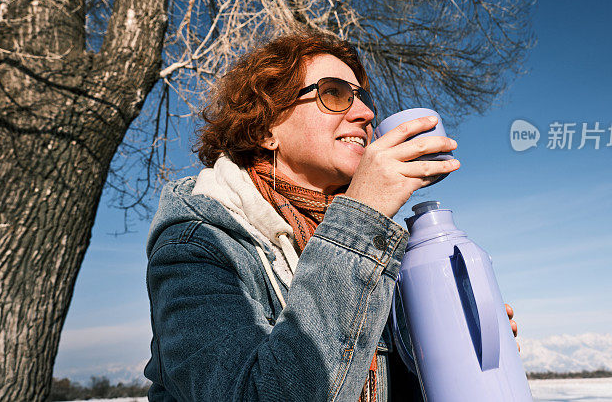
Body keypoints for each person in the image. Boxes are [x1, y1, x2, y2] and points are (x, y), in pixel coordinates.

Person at [144, 31, 517, 401]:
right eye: (334, 93)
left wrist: (444, 346)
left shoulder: (370, 247)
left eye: (363, 98)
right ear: (265, 128)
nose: (367, 113)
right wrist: (363, 212)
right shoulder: (198, 244)